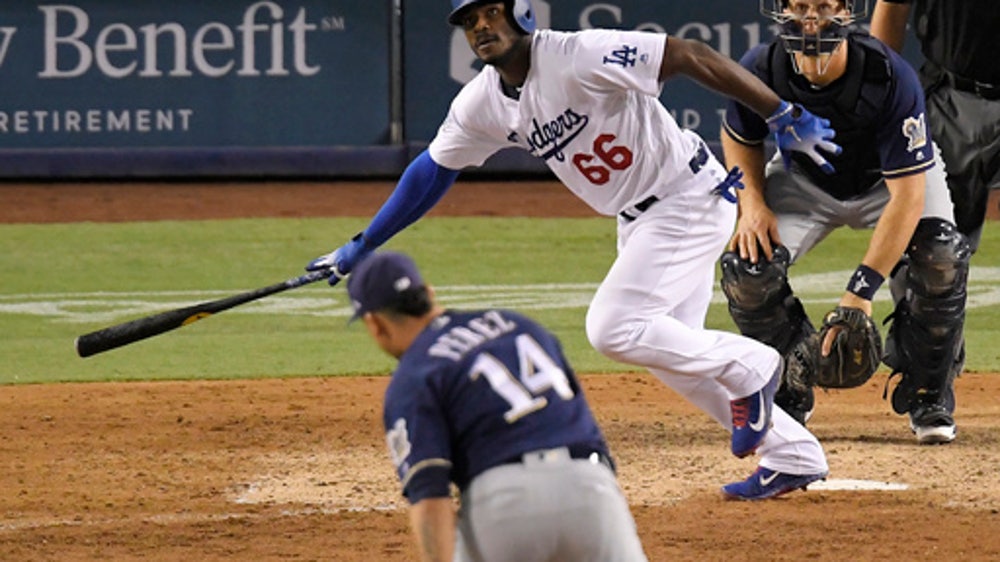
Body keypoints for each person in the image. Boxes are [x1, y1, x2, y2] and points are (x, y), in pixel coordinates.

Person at [307, 0, 835, 499]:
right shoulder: (483, 101)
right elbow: (433, 170)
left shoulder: (576, 54)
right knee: (670, 352)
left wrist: (780, 112)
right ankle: (793, 454)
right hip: (641, 218)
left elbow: (686, 54)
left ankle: (752, 364)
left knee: (612, 327)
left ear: (521, 11)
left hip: (686, 199)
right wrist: (363, 243)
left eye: (492, 11)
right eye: (470, 21)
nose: (482, 26)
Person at [718, 0, 969, 444]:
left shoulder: (889, 74)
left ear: (846, 12)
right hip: (805, 181)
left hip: (888, 184)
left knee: (941, 257)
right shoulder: (762, 65)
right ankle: (790, 382)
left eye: (824, 6)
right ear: (781, 11)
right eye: (799, 6)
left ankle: (928, 389)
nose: (811, 19)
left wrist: (860, 292)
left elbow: (907, 198)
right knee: (747, 268)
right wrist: (752, 203)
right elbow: (739, 135)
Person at [349, 250, 648, 561]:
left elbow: (430, 494)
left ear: (375, 324)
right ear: (428, 293)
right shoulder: (518, 325)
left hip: (506, 507)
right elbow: (582, 420)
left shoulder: (413, 376)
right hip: (591, 490)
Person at [871, 1, 1000, 253]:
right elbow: (893, 6)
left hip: (948, 97)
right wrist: (881, 95)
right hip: (946, 98)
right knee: (932, 252)